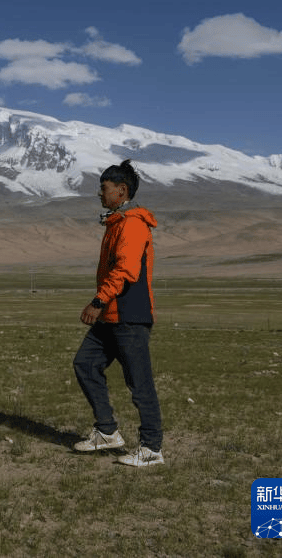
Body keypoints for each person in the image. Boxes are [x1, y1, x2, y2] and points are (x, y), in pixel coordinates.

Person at [72, 159, 164, 466]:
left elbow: (125, 270)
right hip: (111, 316)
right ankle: (107, 431)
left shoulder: (133, 224)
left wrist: (97, 302)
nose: (100, 193)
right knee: (85, 364)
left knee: (139, 384)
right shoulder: (117, 223)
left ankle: (151, 449)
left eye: (104, 188)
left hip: (129, 315)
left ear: (121, 191)